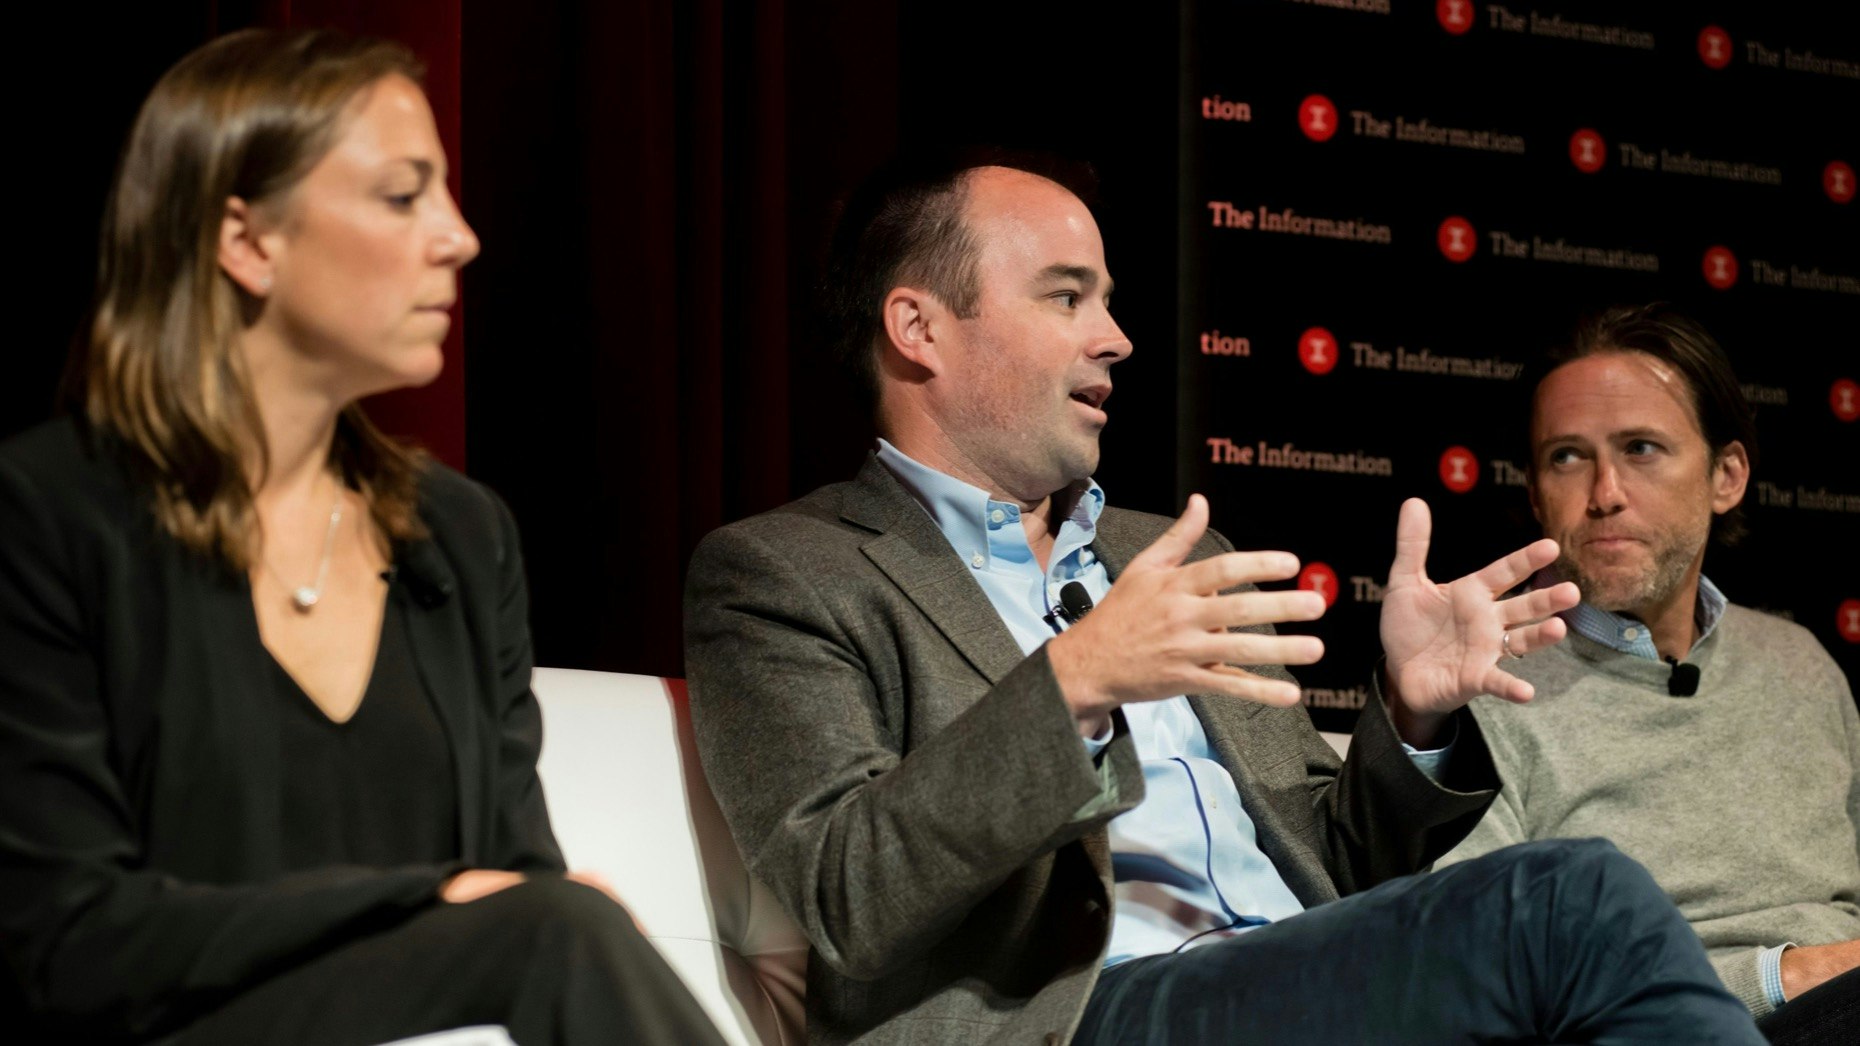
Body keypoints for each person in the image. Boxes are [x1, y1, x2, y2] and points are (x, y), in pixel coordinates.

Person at [684, 153, 1765, 1043]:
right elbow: (844, 890)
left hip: (1285, 982)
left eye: (1109, 299)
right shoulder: (787, 573)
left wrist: (1413, 715)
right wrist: (1073, 682)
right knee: (1570, 899)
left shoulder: (1163, 551)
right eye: (1068, 296)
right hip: (1082, 1015)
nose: (1117, 338)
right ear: (918, 328)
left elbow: (1334, 863)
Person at [0, 29, 722, 1046]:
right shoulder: (48, 510)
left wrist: (491, 911)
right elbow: (62, 938)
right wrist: (434, 901)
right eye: (402, 195)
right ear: (247, 241)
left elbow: (518, 879)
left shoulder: (461, 537)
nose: (460, 236)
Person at [1436, 305, 1860, 1041]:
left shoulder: (1801, 666)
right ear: (1535, 494)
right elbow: (1491, 986)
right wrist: (1781, 978)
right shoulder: (1485, 688)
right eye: (1567, 457)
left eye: (1640, 448)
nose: (1604, 493)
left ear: (1726, 476)